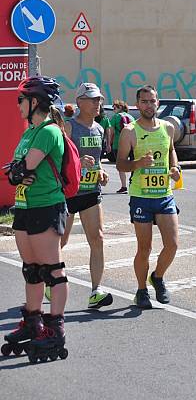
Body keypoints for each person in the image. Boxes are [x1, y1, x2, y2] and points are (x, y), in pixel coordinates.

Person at [2, 76, 69, 362]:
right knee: (31, 269)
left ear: (35, 102)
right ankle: (33, 321)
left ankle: (55, 328)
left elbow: (22, 169)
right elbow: (13, 172)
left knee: (51, 270)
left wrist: (18, 171)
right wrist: (17, 171)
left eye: (21, 99)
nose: (18, 104)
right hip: (24, 205)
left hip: (45, 205)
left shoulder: (48, 131)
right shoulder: (29, 132)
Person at [116, 85, 180, 309]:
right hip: (141, 196)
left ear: (158, 103)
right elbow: (120, 163)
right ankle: (141, 290)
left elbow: (171, 150)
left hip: (164, 193)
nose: (149, 105)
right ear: (137, 104)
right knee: (145, 249)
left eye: (152, 101)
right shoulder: (130, 131)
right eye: (144, 102)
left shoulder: (168, 127)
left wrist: (175, 167)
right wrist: (138, 164)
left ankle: (158, 277)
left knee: (172, 244)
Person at [57, 82, 113, 309]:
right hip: (69, 192)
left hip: (91, 191)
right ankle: (51, 281)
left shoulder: (99, 129)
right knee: (61, 241)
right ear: (79, 101)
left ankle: (96, 291)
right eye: (92, 99)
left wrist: (101, 172)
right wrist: (78, 164)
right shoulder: (69, 128)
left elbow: (96, 160)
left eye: (99, 98)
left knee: (97, 238)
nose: (97, 102)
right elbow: (57, 160)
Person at [111, 100, 134, 193]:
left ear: (120, 107)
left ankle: (124, 186)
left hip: (118, 144)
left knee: (120, 165)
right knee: (133, 164)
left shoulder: (116, 117)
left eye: (114, 108)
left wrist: (109, 143)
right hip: (132, 144)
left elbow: (111, 130)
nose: (113, 110)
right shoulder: (131, 117)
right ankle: (132, 183)